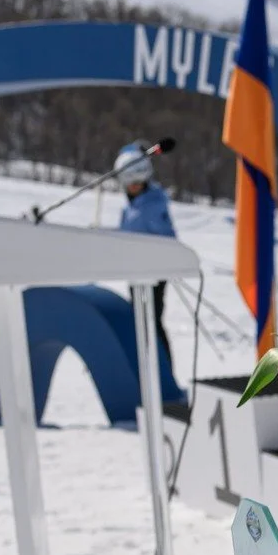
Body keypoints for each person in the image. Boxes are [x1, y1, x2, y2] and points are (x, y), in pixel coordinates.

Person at [114, 141, 177, 386]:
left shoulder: (153, 204)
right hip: (135, 271)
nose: (134, 188)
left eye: (138, 183)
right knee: (140, 323)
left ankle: (164, 375)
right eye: (130, 184)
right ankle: (145, 374)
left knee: (152, 323)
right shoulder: (131, 207)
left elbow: (167, 238)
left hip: (154, 273)